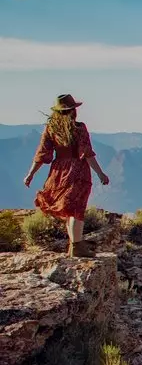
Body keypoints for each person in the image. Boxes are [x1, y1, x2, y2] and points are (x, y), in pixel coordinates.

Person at [23, 94, 110, 258]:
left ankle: (74, 246)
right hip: (78, 170)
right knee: (77, 208)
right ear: (73, 111)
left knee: (70, 208)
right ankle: (77, 246)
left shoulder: (50, 129)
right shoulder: (79, 128)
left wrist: (30, 174)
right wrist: (100, 173)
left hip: (59, 172)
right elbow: (87, 154)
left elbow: (42, 154)